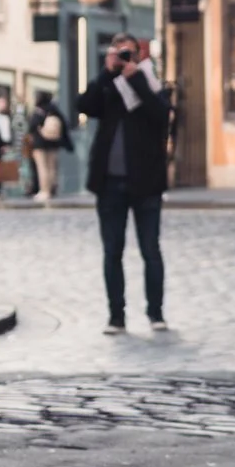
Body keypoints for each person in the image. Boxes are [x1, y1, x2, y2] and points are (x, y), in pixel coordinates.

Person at [78, 36, 171, 333]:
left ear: (139, 54)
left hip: (146, 183)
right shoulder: (108, 85)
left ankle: (155, 313)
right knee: (112, 251)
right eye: (119, 54)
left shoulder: (151, 82)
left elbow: (161, 116)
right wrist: (108, 72)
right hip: (110, 184)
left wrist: (137, 80)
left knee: (150, 250)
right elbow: (85, 106)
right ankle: (116, 315)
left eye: (128, 53)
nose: (124, 58)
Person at [27, 89, 71, 205]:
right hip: (53, 143)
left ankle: (44, 191)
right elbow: (64, 125)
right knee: (52, 168)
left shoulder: (38, 111)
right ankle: (52, 189)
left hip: (39, 144)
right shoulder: (54, 110)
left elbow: (31, 126)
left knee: (42, 168)